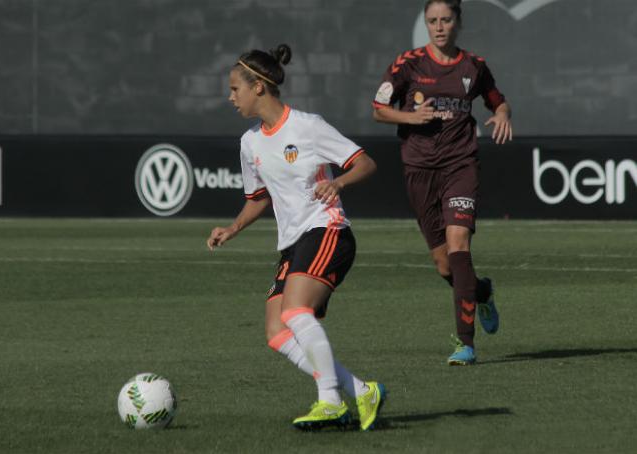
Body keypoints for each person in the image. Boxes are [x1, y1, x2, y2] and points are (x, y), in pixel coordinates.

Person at [207, 44, 385, 430]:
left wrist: (337, 182)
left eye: (235, 88)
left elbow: (365, 163)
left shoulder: (307, 125)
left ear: (258, 88)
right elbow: (257, 199)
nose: (230, 96)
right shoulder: (249, 143)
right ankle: (362, 392)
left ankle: (330, 402)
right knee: (276, 331)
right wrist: (232, 228)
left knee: (295, 313)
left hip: (327, 231)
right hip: (294, 242)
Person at [372, 0, 512, 365]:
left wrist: (502, 115)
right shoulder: (408, 64)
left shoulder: (474, 67)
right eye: (432, 20)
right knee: (444, 265)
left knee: (458, 245)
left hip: (460, 165)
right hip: (418, 168)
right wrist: (412, 117)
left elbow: (498, 101)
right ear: (426, 23)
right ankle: (481, 292)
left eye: (446, 20)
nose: (439, 27)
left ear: (458, 23)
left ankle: (465, 344)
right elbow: (378, 109)